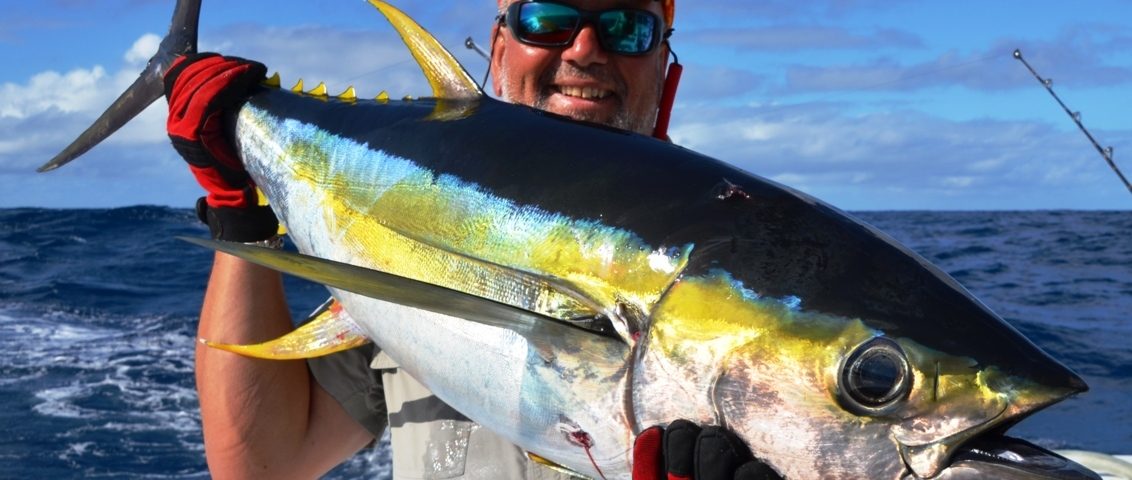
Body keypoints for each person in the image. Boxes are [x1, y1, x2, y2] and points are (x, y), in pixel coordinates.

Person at [168, 0, 781, 478]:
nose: (586, 48)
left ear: (663, 56)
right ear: (498, 44)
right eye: (546, 18)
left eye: (627, 26)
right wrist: (238, 214)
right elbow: (260, 464)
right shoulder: (397, 228)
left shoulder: (756, 267)